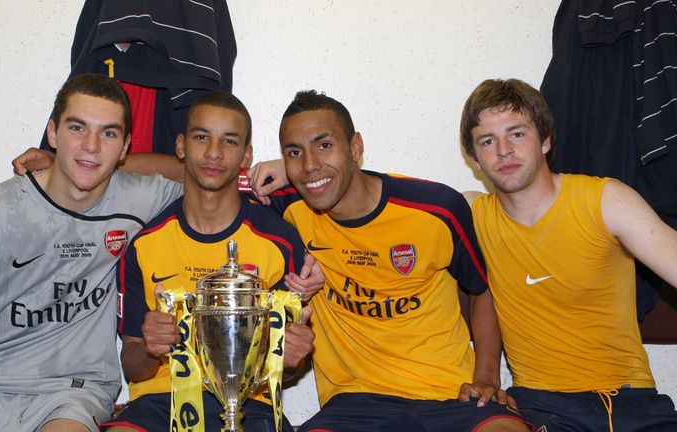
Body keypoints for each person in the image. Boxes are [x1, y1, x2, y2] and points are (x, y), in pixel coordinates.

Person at [0, 74, 185, 431]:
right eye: (77, 128)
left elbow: (201, 169)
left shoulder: (138, 197)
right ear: (52, 133)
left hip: (74, 392)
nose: (90, 144)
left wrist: (88, 160)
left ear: (126, 145)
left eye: (108, 134)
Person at [248, 90, 532, 432]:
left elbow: (481, 289)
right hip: (353, 405)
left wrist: (487, 377)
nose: (310, 163)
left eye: (324, 145)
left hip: (450, 398)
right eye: (295, 152)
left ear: (355, 147)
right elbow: (211, 177)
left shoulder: (437, 209)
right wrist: (292, 168)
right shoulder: (289, 205)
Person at [460, 78, 677, 431]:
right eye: (488, 140)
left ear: (546, 140)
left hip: (633, 401)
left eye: (517, 134)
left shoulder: (605, 200)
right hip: (542, 405)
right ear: (475, 159)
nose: (503, 150)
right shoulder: (471, 215)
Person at [99, 91, 320, 432]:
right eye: (202, 137)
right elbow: (132, 366)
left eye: (229, 141)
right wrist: (150, 347)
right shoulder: (144, 244)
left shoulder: (279, 242)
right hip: (160, 401)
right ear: (181, 145)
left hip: (249, 405)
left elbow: (284, 369)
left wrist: (293, 357)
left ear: (246, 155)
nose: (214, 152)